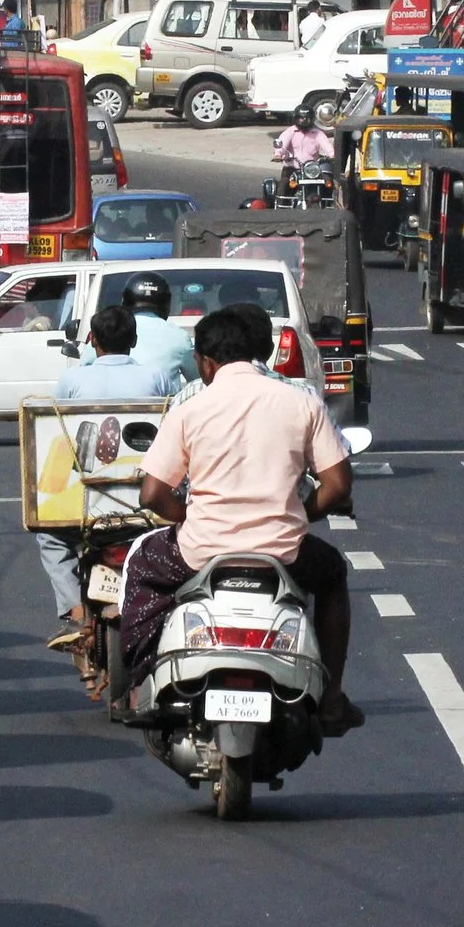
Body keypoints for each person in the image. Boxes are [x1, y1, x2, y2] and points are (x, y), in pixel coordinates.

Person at [125, 305, 362, 733]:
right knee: (333, 577)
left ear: (206, 362)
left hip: (200, 551)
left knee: (141, 565)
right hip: (285, 552)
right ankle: (331, 697)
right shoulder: (302, 402)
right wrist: (301, 515)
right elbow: (338, 485)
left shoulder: (189, 408)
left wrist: (187, 519)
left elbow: (153, 494)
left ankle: (141, 680)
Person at [37, 305, 173, 652]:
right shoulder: (155, 377)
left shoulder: (73, 380)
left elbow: (60, 433)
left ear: (92, 340)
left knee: (51, 538)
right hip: (147, 500)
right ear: (134, 340)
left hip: (87, 500)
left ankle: (74, 611)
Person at [121, 272, 197, 392]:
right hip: (163, 409)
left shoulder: (110, 332)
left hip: (109, 408)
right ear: (166, 303)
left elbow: (84, 367)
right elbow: (196, 380)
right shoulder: (179, 337)